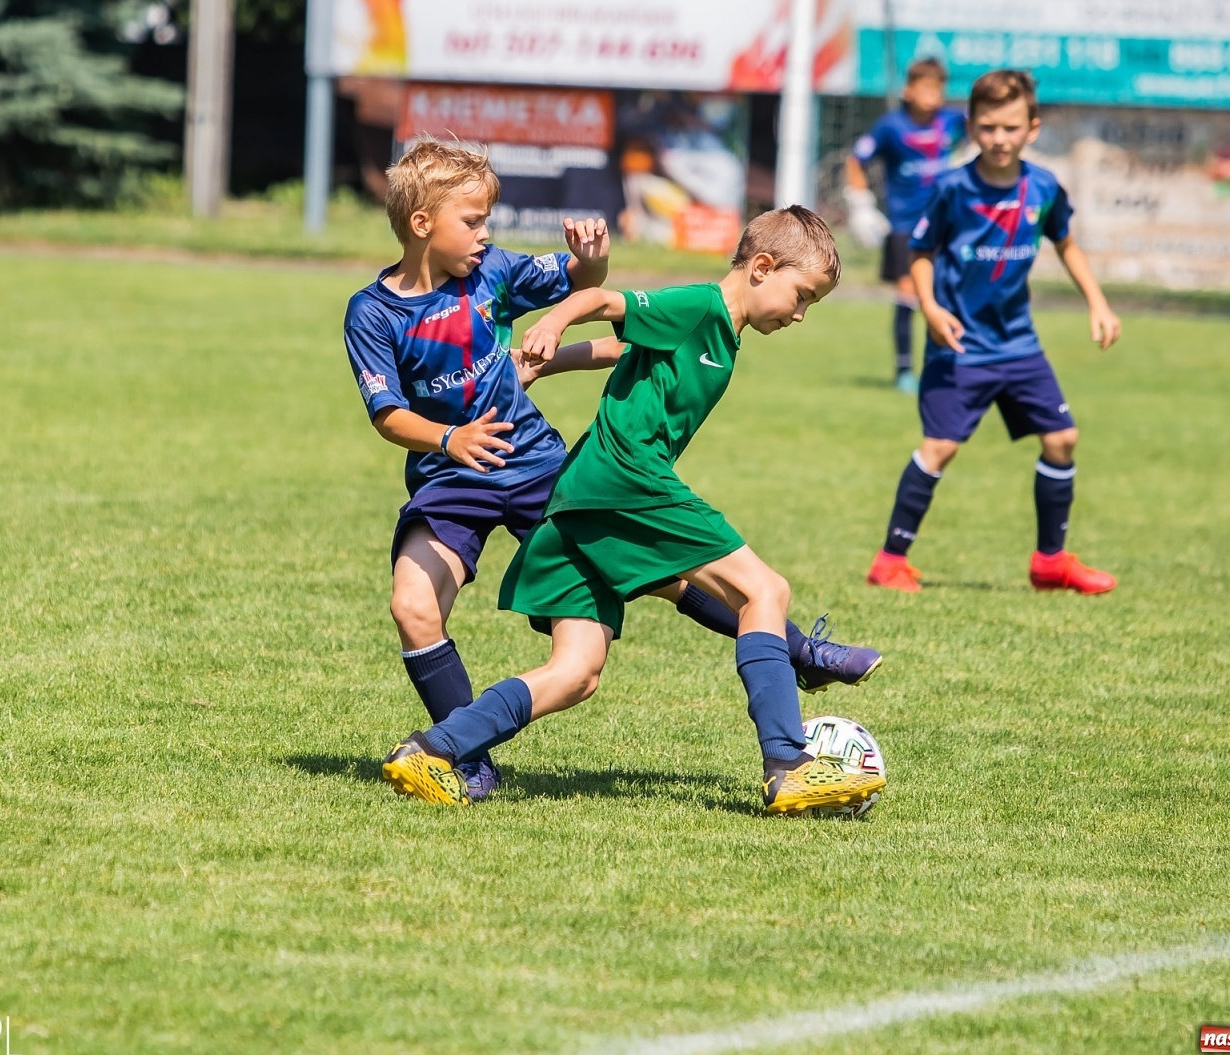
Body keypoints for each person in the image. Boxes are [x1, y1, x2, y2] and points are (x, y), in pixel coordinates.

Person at [345, 140, 881, 801]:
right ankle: (788, 763)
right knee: (764, 590)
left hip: (560, 480)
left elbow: (614, 336)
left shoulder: (713, 328)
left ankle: (433, 748)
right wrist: (560, 317)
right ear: (764, 267)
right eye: (801, 297)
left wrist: (548, 355)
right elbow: (608, 305)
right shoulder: (704, 306)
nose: (799, 315)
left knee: (576, 672)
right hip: (623, 478)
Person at [864, 70, 1122, 596]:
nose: (999, 139)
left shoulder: (1043, 187)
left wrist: (1098, 303)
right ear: (971, 128)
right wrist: (931, 308)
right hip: (961, 346)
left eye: (1010, 127)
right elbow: (920, 253)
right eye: (988, 128)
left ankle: (1050, 562)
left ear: (1032, 127)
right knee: (939, 448)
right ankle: (889, 561)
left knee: (1062, 439)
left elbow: (1067, 244)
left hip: (1019, 344)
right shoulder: (953, 188)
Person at [844, 57, 968, 394]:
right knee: (909, 293)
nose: (932, 95)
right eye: (925, 87)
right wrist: (860, 205)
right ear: (908, 90)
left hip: (946, 223)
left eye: (938, 88)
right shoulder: (891, 126)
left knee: (945, 294)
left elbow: (987, 130)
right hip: (905, 226)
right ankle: (903, 370)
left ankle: (943, 365)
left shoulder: (954, 122)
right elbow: (856, 160)